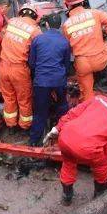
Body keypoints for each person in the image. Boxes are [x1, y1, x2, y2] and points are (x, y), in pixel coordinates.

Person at [44, 87, 107, 205]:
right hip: (86, 149)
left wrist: (57, 128)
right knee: (103, 164)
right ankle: (100, 196)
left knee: (68, 163)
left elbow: (73, 113)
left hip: (65, 138)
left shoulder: (99, 99)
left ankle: (66, 196)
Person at [60, 0, 107, 101]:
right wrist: (105, 33)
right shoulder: (94, 13)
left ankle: (88, 109)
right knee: (104, 42)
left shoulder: (66, 25)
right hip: (101, 60)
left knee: (86, 94)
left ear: (67, 5)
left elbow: (69, 47)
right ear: (82, 1)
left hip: (83, 64)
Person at [28, 13, 71, 146]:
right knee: (62, 107)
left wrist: (37, 76)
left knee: (40, 112)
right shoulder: (65, 42)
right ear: (59, 26)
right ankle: (63, 135)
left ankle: (34, 141)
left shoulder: (38, 39)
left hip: (41, 81)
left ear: (46, 25)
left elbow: (31, 63)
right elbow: (66, 64)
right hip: (59, 80)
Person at [0, 4, 41, 130]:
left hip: (4, 66)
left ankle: (10, 124)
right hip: (19, 69)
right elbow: (39, 50)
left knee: (8, 97)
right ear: (34, 16)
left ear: (21, 13)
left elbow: (2, 36)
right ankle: (25, 125)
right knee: (24, 99)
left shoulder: (11, 22)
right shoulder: (35, 31)